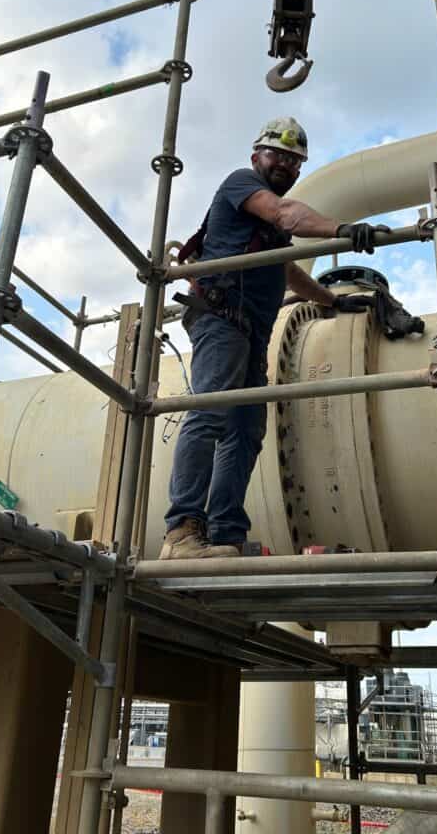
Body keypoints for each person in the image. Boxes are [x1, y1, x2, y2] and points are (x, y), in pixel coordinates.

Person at [160, 117, 389, 560]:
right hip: (220, 320)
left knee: (245, 433)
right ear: (256, 157)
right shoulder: (241, 185)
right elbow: (287, 213)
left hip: (249, 333)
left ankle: (225, 533)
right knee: (208, 415)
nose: (285, 163)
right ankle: (181, 532)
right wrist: (342, 230)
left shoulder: (270, 233)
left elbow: (287, 271)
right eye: (277, 154)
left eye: (294, 160)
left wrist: (331, 302)